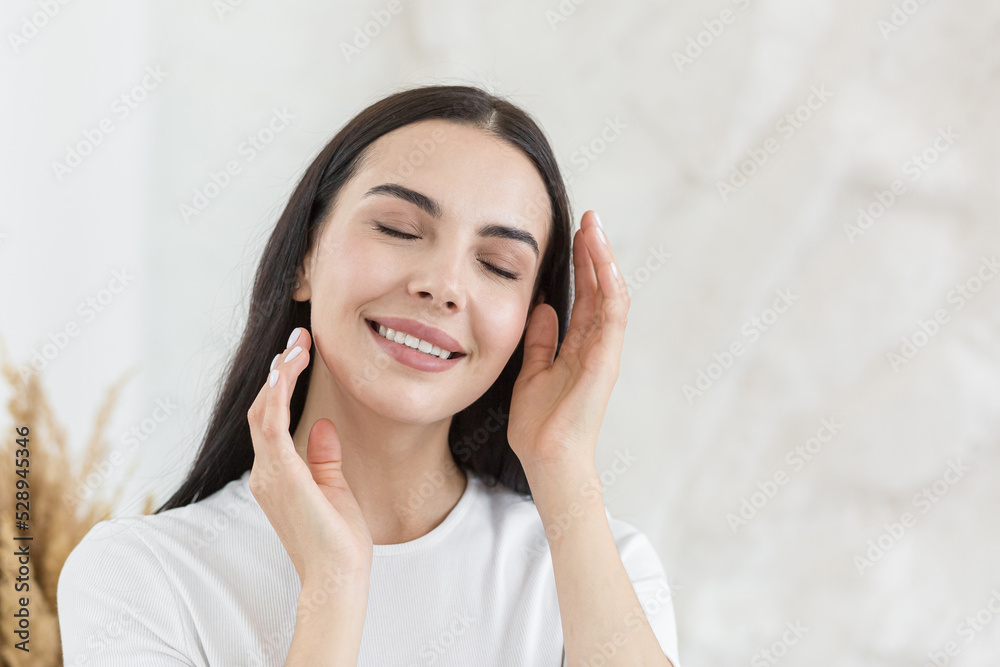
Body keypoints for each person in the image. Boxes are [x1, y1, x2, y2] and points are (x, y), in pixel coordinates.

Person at [57, 84, 681, 666]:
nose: (443, 285)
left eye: (498, 265)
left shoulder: (598, 569)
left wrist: (561, 465)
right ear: (305, 257)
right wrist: (333, 585)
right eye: (399, 229)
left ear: (529, 321)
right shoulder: (140, 577)